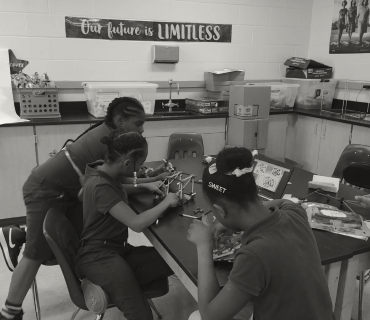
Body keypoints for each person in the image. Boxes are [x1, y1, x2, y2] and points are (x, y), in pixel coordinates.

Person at [0, 97, 167, 320]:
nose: (142, 129)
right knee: (36, 253)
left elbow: (113, 181)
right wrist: (147, 184)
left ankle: (20, 234)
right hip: (47, 189)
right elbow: (110, 184)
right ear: (119, 120)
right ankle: (10, 312)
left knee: (76, 239)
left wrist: (147, 182)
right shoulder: (105, 142)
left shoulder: (111, 136)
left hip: (70, 190)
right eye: (138, 124)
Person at [187, 147, 335, 320]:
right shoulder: (296, 213)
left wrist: (204, 246)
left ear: (220, 210)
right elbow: (284, 202)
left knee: (195, 317)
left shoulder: (253, 255)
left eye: (214, 212)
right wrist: (228, 220)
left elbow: (210, 316)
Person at [75, 130, 179, 320]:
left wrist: (147, 184)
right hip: (99, 257)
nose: (141, 168)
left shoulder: (105, 173)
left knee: (174, 261)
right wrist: (167, 202)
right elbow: (136, 223)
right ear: (127, 164)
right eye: (140, 163)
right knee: (140, 314)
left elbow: (121, 186)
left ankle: (109, 286)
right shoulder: (100, 185)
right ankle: (105, 281)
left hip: (118, 252)